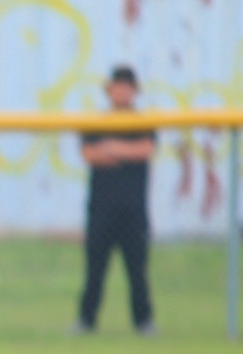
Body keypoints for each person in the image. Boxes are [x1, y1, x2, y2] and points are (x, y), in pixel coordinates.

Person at [73, 64, 157, 335]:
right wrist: (122, 152)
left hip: (133, 208)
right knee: (95, 269)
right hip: (101, 208)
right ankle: (86, 320)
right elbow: (90, 154)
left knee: (137, 270)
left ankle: (143, 321)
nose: (122, 92)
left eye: (127, 87)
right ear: (109, 91)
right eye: (117, 87)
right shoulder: (97, 122)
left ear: (135, 91)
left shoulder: (142, 122)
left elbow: (145, 150)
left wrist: (111, 147)